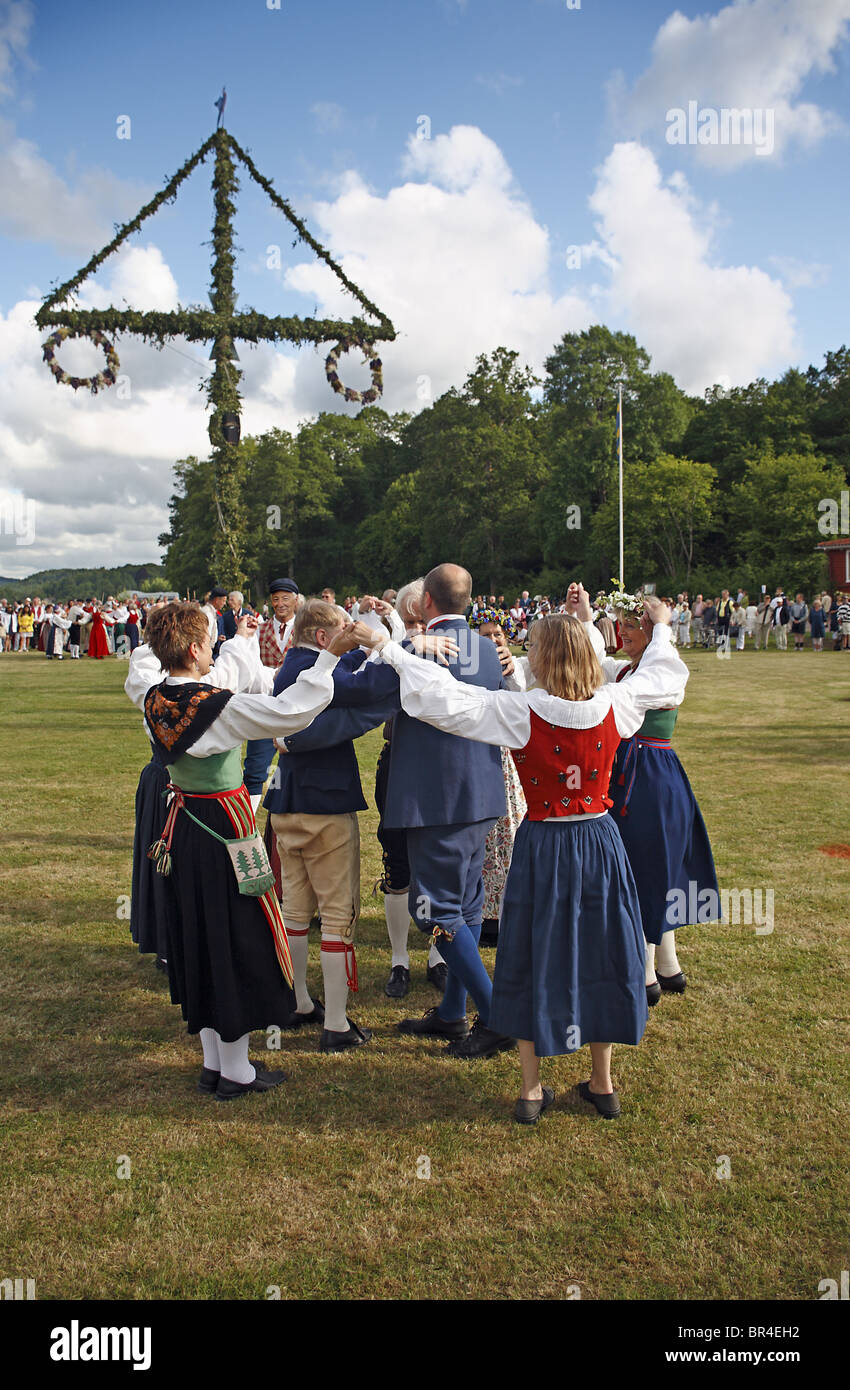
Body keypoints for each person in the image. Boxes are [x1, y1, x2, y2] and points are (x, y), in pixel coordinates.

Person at [363, 591, 682, 1121]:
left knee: (531, 955)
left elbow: (444, 700)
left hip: (547, 844)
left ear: (544, 659)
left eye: (533, 647)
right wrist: (663, 627)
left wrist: (395, 649)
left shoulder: (522, 711)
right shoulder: (617, 704)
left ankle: (532, 1091)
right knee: (601, 950)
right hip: (600, 842)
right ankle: (602, 1084)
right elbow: (666, 675)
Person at [140, 600, 362, 1099]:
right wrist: (328, 661)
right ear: (196, 649)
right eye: (210, 644)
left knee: (198, 935)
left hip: (181, 826)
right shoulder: (219, 706)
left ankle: (214, 1061)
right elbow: (292, 712)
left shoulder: (152, 700)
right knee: (235, 936)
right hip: (224, 827)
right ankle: (236, 1071)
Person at [385, 564, 512, 1060]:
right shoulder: (490, 649)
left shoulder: (411, 651)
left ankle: (496, 1014)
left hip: (435, 798)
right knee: (468, 904)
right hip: (480, 791)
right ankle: (453, 1012)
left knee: (438, 911)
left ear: (424, 605)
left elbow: (369, 686)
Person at [264, 601, 400, 1052]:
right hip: (325, 806)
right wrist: (394, 643)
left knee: (296, 912)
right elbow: (374, 686)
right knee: (338, 916)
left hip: (286, 803)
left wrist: (367, 643)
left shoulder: (292, 666)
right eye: (342, 633)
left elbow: (349, 671)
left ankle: (300, 1000)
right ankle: (337, 1023)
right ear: (324, 639)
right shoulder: (315, 673)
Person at [593, 591, 719, 1004]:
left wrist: (662, 624)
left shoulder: (664, 668)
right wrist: (580, 615)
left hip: (648, 774)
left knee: (646, 863)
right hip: (641, 770)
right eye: (621, 624)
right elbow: (594, 659)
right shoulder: (631, 670)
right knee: (652, 860)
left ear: (651, 632)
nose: (623, 631)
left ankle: (645, 973)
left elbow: (663, 664)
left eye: (633, 625)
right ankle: (668, 965)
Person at [467, 605, 528, 946]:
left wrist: (510, 672)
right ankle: (482, 914)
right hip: (479, 749)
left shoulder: (514, 666)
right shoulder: (471, 666)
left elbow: (520, 706)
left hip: (506, 758)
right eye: (485, 635)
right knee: (485, 838)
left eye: (497, 635)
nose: (492, 640)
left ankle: (506, 912)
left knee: (510, 832)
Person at [244, 578, 300, 813]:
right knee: (256, 768)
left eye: (285, 598)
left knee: (300, 766)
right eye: (276, 599)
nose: (280, 604)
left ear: (296, 600)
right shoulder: (259, 629)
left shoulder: (307, 629)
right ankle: (246, 823)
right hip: (265, 707)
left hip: (299, 707)